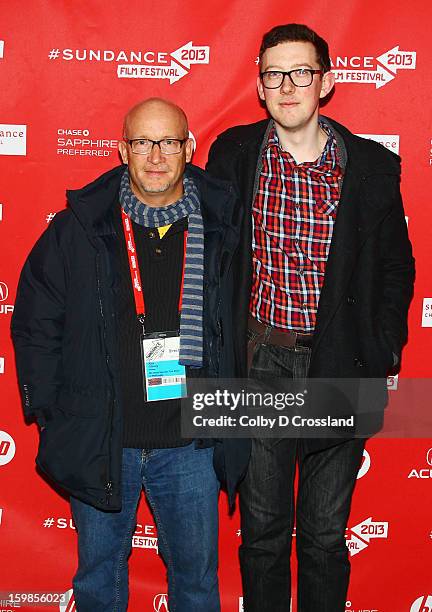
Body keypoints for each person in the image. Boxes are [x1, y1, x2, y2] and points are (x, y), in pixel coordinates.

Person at [206, 23, 414, 612]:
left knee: (324, 536)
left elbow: (397, 268)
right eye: (275, 74)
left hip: (340, 363)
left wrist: (382, 350)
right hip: (261, 361)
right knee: (265, 535)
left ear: (324, 82)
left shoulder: (373, 167)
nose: (288, 86)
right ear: (260, 87)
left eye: (302, 72)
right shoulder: (233, 156)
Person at [11, 97, 240, 612]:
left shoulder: (227, 225)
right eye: (142, 142)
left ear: (189, 147)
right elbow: (35, 323)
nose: (156, 156)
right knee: (97, 581)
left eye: (168, 142)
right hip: (104, 438)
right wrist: (52, 415)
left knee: (198, 584)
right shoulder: (78, 229)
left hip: (192, 445)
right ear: (122, 150)